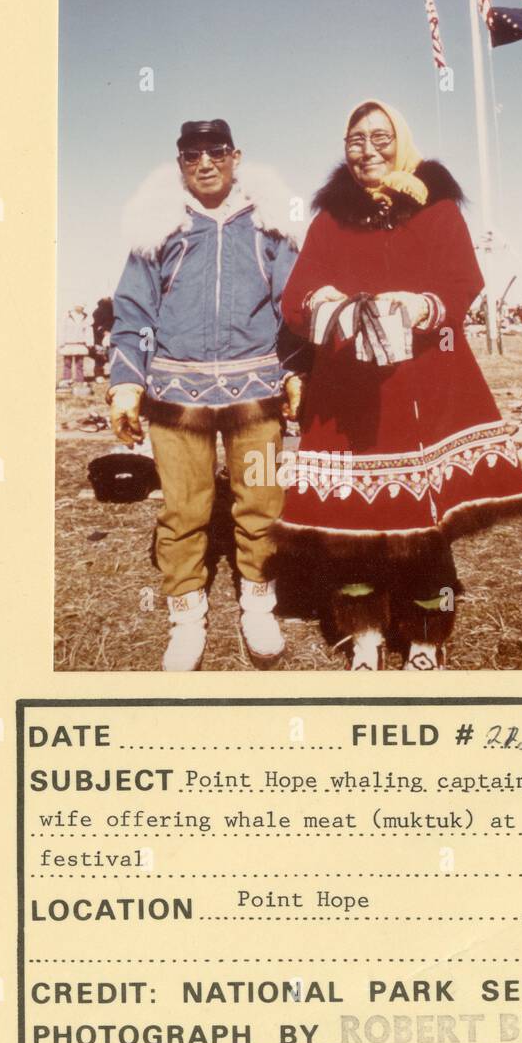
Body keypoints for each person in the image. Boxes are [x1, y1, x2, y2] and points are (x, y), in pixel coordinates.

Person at [274, 99, 522, 671]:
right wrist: (327, 305)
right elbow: (297, 294)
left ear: (402, 140)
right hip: (347, 397)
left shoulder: (437, 209)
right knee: (350, 529)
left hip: (426, 385)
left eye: (380, 136)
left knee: (425, 527)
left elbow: (463, 281)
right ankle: (363, 631)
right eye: (355, 139)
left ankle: (424, 632)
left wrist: (421, 305)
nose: (367, 149)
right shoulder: (329, 219)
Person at [107, 118, 304, 671]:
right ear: (180, 165)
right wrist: (126, 383)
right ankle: (186, 619)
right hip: (176, 393)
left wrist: (296, 372)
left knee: (261, 502)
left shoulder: (267, 225)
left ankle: (258, 605)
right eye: (192, 155)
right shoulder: (158, 228)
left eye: (216, 151)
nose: (205, 163)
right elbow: (132, 310)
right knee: (184, 509)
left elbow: (293, 307)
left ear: (236, 155)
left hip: (256, 390)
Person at [59, 304, 93, 388]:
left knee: (80, 364)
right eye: (78, 305)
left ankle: (80, 380)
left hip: (80, 344)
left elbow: (88, 331)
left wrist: (89, 342)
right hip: (68, 343)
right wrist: (61, 342)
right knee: (67, 363)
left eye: (82, 306)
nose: (80, 307)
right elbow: (62, 330)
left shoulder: (85, 317)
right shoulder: (67, 316)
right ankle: (67, 380)